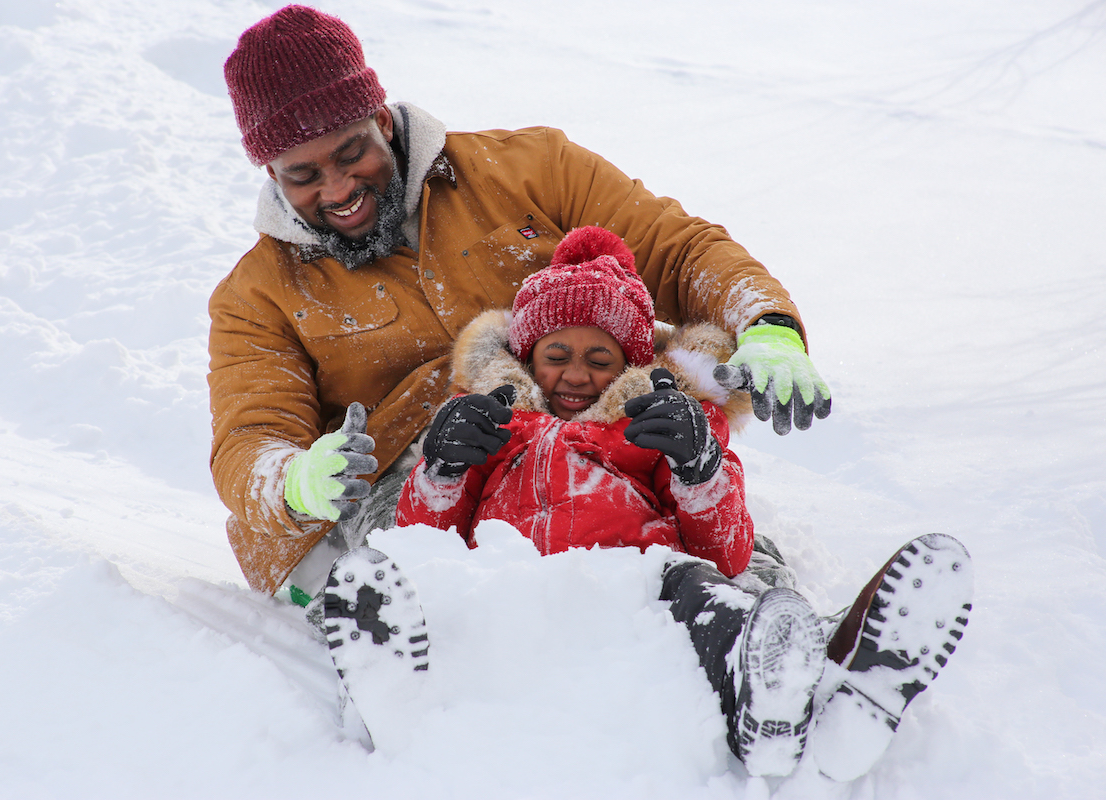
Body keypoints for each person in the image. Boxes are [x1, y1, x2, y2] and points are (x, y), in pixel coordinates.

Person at [208, 5, 831, 607]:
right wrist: (296, 481)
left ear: (382, 121)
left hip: (576, 424)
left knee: (695, 524)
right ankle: (403, 644)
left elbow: (679, 250)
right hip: (407, 480)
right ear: (272, 174)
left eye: (351, 154)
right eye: (303, 176)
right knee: (425, 575)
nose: (339, 188)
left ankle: (784, 639)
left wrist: (768, 326)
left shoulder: (528, 170)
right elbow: (252, 438)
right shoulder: (257, 295)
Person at [393, 227, 974, 780]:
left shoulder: (656, 420)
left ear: (630, 365)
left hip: (643, 591)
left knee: (704, 593)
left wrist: (698, 468)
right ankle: (391, 674)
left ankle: (767, 689)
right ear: (525, 356)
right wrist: (441, 469)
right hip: (509, 594)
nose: (576, 374)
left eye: (600, 360)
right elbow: (423, 542)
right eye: (557, 354)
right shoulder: (494, 421)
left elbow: (727, 552)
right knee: (439, 595)